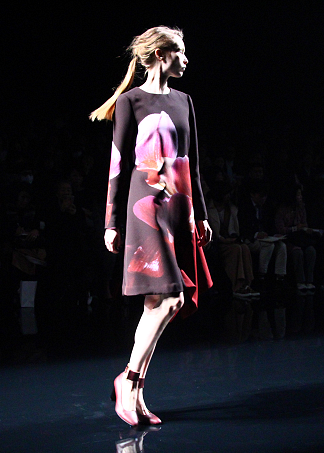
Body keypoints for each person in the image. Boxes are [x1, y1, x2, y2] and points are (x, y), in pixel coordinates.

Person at [90, 26, 212, 426]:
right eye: (179, 51)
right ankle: (128, 379)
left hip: (178, 206)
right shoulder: (131, 102)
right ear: (161, 54)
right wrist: (111, 221)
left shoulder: (184, 101)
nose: (186, 59)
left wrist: (201, 213)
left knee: (158, 304)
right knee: (172, 299)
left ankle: (136, 392)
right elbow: (118, 164)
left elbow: (192, 163)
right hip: (145, 206)